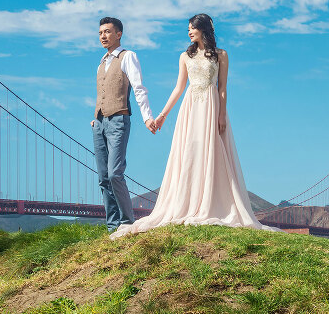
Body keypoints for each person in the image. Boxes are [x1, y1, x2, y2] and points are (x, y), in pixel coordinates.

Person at [110, 14, 282, 239]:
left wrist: (221, 114)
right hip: (190, 108)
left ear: (204, 30)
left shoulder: (221, 55)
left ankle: (212, 203)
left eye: (193, 28)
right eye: (188, 28)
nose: (189, 32)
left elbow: (222, 88)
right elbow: (179, 88)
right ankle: (188, 203)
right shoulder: (185, 56)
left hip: (211, 107)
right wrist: (162, 115)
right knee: (190, 153)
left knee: (212, 152)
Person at [92, 17, 157, 233]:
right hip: (100, 123)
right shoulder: (101, 62)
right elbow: (101, 93)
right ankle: (113, 227)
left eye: (108, 32)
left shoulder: (128, 56)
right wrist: (96, 118)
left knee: (114, 174)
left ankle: (127, 222)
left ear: (118, 34)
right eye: (101, 32)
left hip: (119, 120)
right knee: (103, 178)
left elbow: (139, 88)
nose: (103, 36)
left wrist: (147, 117)